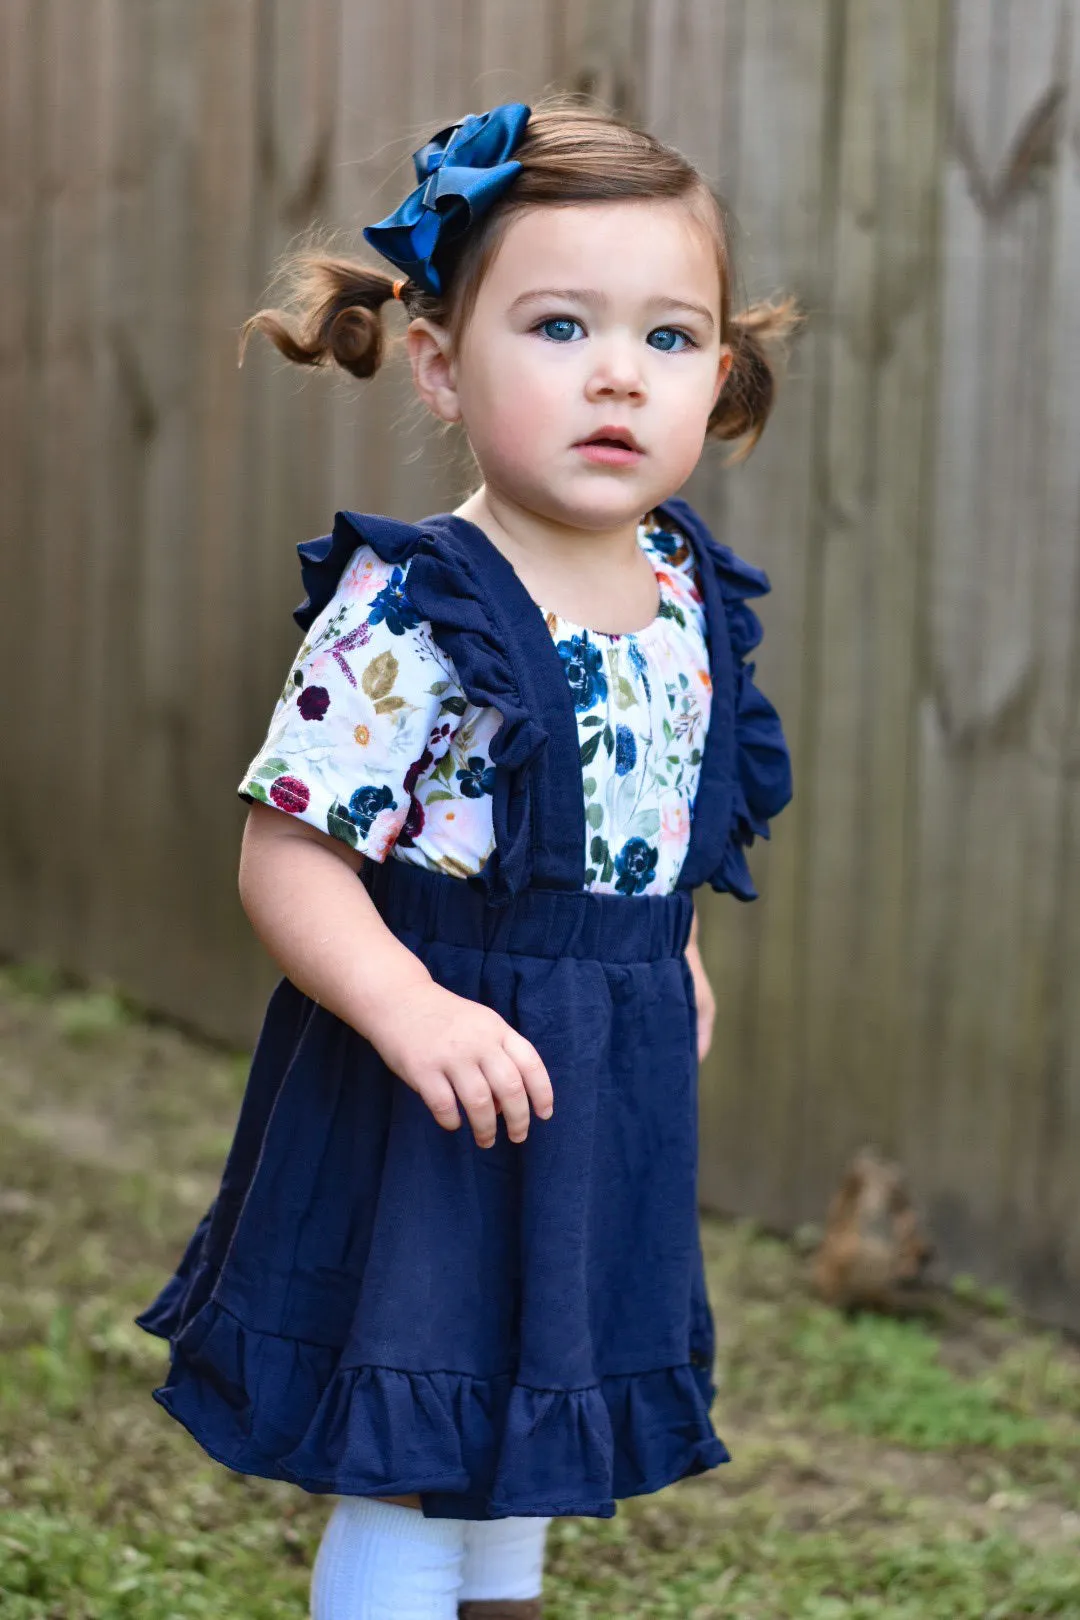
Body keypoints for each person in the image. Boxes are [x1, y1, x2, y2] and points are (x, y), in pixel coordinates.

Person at [134, 93, 797, 1620]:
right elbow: (287, 854)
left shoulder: (685, 584)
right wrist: (407, 1008)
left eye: (671, 337)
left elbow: (642, 816)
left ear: (720, 374)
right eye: (560, 327)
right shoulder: (423, 608)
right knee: (420, 1431)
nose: (620, 372)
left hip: (598, 1077)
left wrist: (666, 944)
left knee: (532, 1409)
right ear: (439, 359)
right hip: (438, 1072)